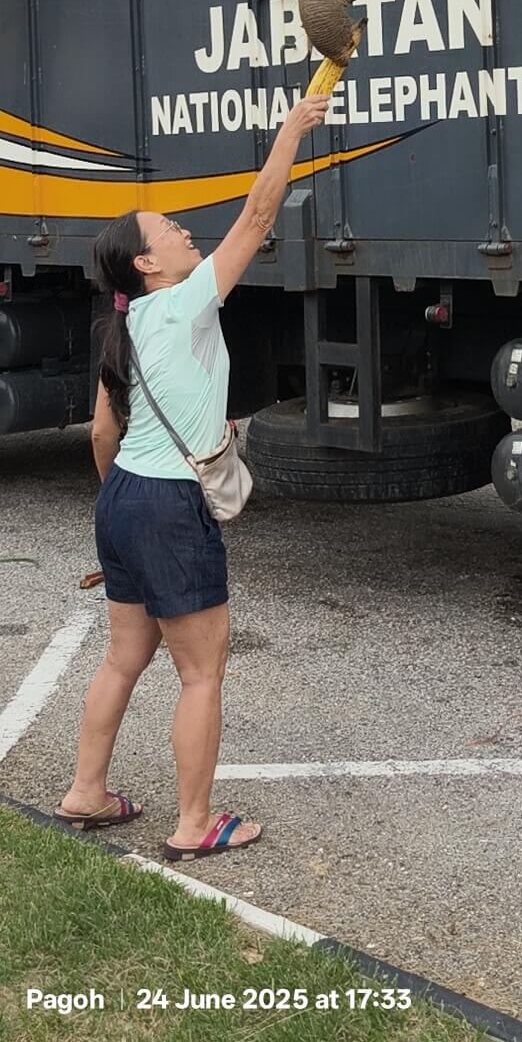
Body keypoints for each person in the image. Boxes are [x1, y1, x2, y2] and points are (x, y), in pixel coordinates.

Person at [56, 94, 330, 861]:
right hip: (169, 505)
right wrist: (290, 130)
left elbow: (103, 434)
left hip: (124, 498)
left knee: (122, 657)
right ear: (147, 265)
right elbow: (258, 215)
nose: (182, 230)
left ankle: (86, 792)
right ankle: (194, 824)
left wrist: (121, 508)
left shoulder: (125, 327)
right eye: (167, 229)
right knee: (201, 672)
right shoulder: (182, 306)